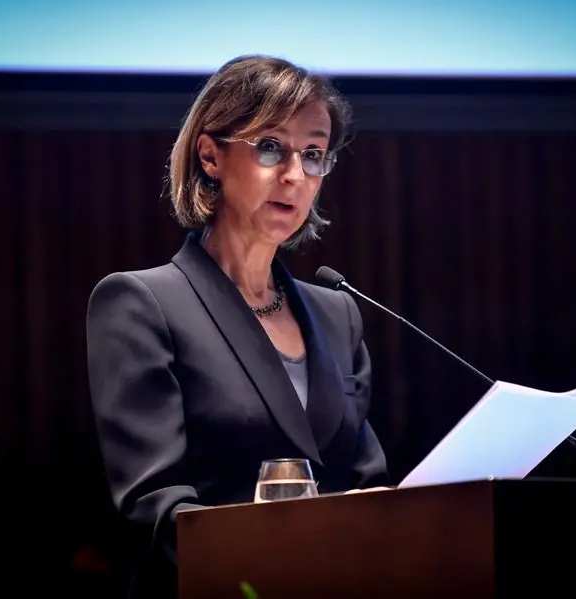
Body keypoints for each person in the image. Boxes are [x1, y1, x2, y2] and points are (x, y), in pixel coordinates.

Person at [85, 54, 390, 598]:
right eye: (271, 147)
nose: (294, 175)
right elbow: (156, 507)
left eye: (313, 154)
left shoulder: (337, 313)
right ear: (210, 156)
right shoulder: (142, 303)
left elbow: (365, 481)